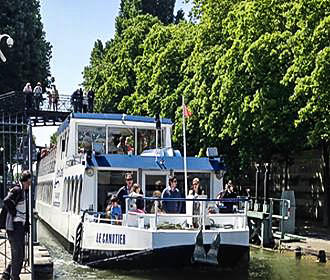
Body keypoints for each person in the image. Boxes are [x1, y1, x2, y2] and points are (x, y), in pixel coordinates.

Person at [0, 170, 31, 280]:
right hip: (15, 227)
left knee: (19, 255)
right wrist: (14, 212)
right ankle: (14, 277)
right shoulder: (17, 189)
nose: (30, 185)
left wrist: (26, 223)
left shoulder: (23, 191)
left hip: (19, 227)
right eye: (29, 182)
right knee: (18, 255)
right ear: (25, 181)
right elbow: (7, 200)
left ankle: (6, 275)